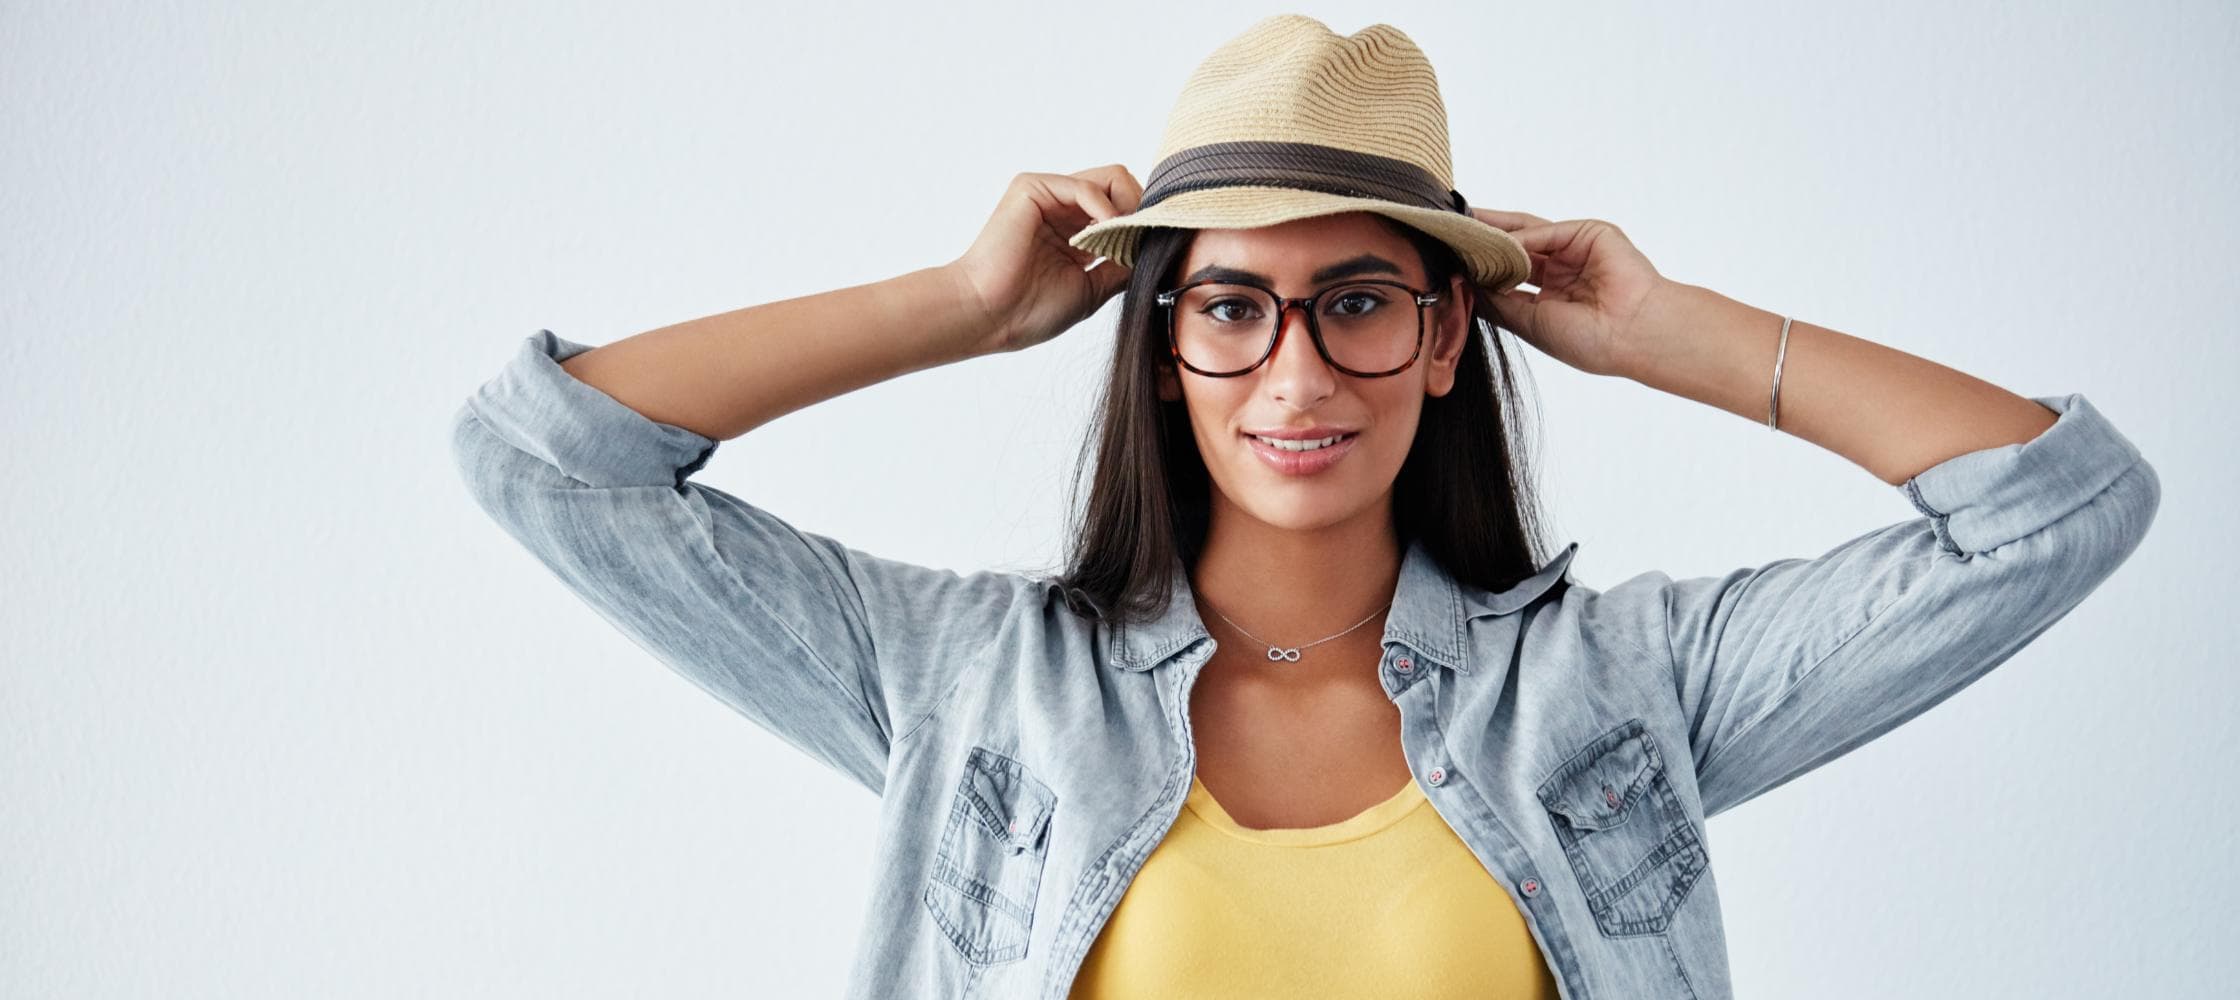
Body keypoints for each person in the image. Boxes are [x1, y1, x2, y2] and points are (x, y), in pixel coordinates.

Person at [448, 15, 2160, 1000]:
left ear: (1441, 338)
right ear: (1164, 342)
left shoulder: (1618, 689)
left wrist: (1665, 336)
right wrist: (961, 307)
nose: (1294, 372)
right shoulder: (967, 682)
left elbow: (2053, 508)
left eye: (1357, 298)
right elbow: (543, 459)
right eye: (1228, 304)